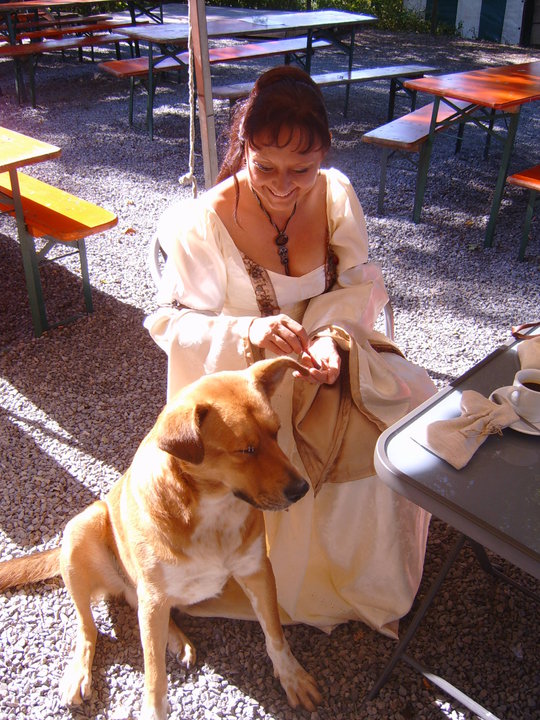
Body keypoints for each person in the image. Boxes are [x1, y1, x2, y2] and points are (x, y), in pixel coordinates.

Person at [144, 66, 436, 638]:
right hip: (243, 379)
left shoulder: (335, 194)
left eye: (301, 169)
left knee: (405, 410)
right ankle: (302, 583)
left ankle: (366, 576)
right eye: (266, 167)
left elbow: (356, 284)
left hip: (330, 351)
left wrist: (329, 335)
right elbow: (172, 325)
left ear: (323, 154)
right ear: (243, 147)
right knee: (295, 448)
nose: (283, 185)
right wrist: (247, 335)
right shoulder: (197, 223)